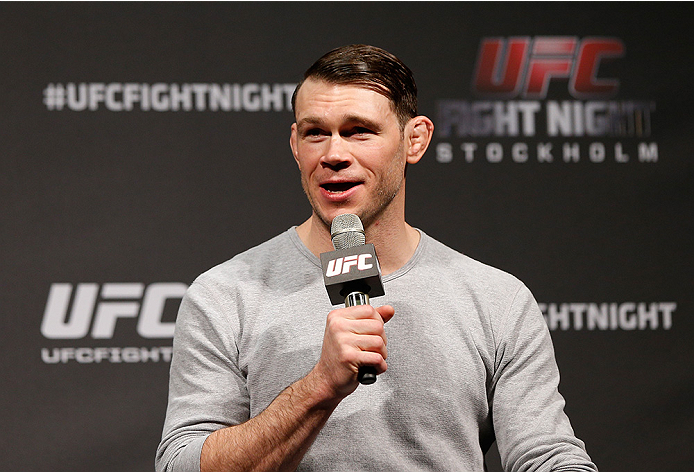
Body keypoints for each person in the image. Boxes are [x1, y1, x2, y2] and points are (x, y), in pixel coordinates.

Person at [156, 44, 598, 472]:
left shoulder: (497, 299)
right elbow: (182, 465)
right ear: (295, 143)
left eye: (358, 132)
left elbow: (547, 456)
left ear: (415, 140)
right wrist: (319, 388)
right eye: (316, 133)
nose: (333, 155)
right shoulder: (225, 295)